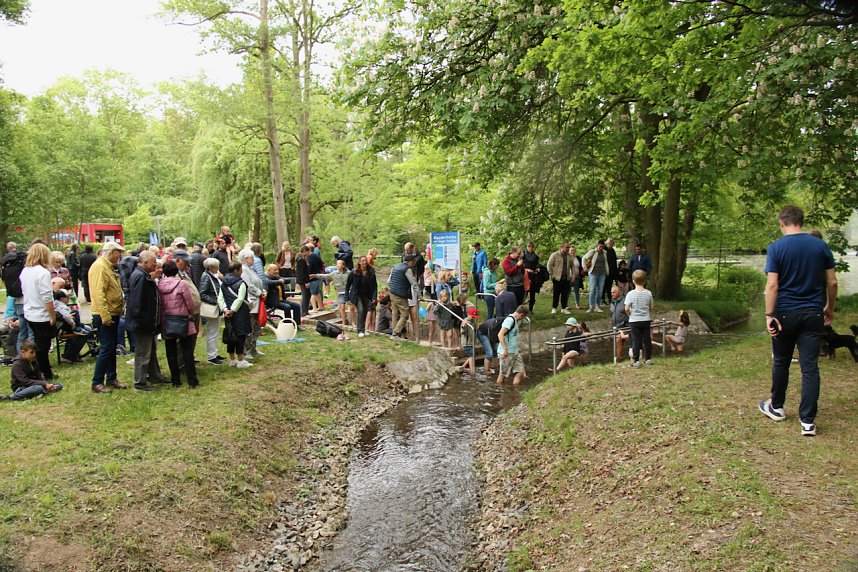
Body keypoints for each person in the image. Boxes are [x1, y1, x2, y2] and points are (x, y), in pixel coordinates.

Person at [759, 205, 836, 437]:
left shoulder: (776, 247)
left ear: (782, 222)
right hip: (813, 313)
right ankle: (808, 422)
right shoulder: (820, 246)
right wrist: (829, 308)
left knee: (781, 360)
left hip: (784, 313)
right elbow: (832, 282)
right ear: (801, 221)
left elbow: (772, 285)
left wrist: (769, 315)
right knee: (810, 367)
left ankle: (777, 406)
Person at [125, 251, 168, 390]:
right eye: (153, 262)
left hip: (148, 322)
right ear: (144, 263)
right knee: (143, 352)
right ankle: (140, 382)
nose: (156, 264)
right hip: (142, 323)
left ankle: (155, 376)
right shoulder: (140, 277)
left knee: (151, 350)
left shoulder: (143, 275)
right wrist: (141, 321)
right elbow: (136, 302)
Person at [89, 241, 128, 394]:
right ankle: (97, 381)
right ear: (111, 252)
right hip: (104, 314)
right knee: (106, 348)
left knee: (111, 347)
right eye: (119, 252)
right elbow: (99, 293)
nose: (121, 256)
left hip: (113, 312)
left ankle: (111, 378)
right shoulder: (100, 267)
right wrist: (105, 315)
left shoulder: (107, 266)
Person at [157, 260, 199, 388]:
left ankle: (175, 380)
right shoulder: (182, 284)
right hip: (182, 319)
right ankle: (192, 380)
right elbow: (189, 303)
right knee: (187, 350)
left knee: (171, 351)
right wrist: (190, 314)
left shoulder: (159, 285)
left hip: (167, 320)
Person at [19, 243, 57, 381]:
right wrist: (52, 316)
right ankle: (45, 374)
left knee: (38, 344)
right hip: (41, 314)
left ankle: (40, 372)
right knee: (43, 348)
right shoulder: (42, 272)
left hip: (29, 312)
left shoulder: (25, 271)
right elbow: (47, 297)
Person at [220, 262, 253, 368]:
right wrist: (233, 310)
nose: (241, 271)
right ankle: (241, 360)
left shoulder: (223, 282)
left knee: (230, 335)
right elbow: (240, 298)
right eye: (240, 269)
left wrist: (225, 309)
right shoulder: (241, 282)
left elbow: (220, 297)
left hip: (227, 312)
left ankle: (232, 359)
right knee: (240, 335)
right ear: (236, 270)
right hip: (240, 312)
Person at [237, 249, 265, 358]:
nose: (253, 260)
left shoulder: (250, 269)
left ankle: (253, 347)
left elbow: (258, 282)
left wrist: (262, 291)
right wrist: (259, 292)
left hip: (258, 299)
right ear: (245, 259)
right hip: (251, 300)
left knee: (256, 327)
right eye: (251, 258)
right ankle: (246, 350)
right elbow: (248, 285)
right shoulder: (243, 270)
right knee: (251, 326)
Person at [200, 258, 227, 365]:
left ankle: (214, 353)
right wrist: (214, 301)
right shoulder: (206, 277)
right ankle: (211, 356)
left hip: (216, 307)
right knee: (212, 332)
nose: (218, 268)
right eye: (217, 266)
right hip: (213, 307)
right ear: (210, 267)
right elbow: (202, 293)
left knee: (214, 332)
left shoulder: (211, 276)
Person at [625, 269, 654, 368]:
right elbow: (651, 307)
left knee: (636, 340)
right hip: (646, 319)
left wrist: (630, 314)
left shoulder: (630, 294)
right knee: (647, 339)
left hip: (634, 320)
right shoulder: (648, 293)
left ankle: (636, 360)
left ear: (633, 280)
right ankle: (648, 359)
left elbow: (627, 308)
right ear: (645, 281)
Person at [388, 253, 420, 340]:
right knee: (405, 315)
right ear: (409, 262)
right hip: (400, 295)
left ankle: (394, 334)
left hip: (392, 293)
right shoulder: (407, 269)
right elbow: (413, 283)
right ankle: (395, 334)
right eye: (413, 261)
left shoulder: (395, 267)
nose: (414, 263)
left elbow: (388, 282)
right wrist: (419, 295)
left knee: (395, 314)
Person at [496, 304, 529, 385]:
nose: (523, 319)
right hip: (506, 352)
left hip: (514, 351)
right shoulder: (509, 320)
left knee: (520, 372)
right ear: (521, 314)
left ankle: (514, 392)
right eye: (523, 317)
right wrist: (505, 350)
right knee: (503, 375)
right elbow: (500, 334)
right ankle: (501, 393)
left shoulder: (516, 320)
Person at [53, 290, 89, 363]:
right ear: (62, 299)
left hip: (61, 327)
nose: (69, 299)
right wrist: (73, 324)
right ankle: (70, 356)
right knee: (86, 331)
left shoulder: (55, 304)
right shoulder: (61, 306)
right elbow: (66, 317)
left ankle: (70, 354)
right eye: (67, 297)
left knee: (87, 328)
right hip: (62, 328)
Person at [346, 256, 377, 338]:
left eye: (365, 261)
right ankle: (360, 330)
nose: (364, 262)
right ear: (359, 262)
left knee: (365, 311)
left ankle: (362, 329)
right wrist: (347, 297)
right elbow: (348, 285)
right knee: (361, 310)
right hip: (356, 295)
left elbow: (374, 286)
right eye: (362, 261)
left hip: (367, 295)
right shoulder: (354, 272)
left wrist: (374, 297)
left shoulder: (371, 272)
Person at [316, 259, 352, 326]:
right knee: (342, 307)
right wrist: (315, 275)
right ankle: (343, 322)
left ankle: (353, 322)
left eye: (339, 264)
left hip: (349, 292)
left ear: (343, 265)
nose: (337, 265)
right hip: (341, 293)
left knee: (352, 308)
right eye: (337, 264)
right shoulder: (334, 273)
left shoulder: (348, 273)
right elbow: (325, 276)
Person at [547, 242, 575, 315]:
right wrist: (551, 274)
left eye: (568, 247)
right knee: (556, 293)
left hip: (566, 278)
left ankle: (563, 308)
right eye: (566, 247)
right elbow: (549, 264)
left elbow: (572, 266)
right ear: (562, 247)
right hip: (557, 278)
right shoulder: (555, 255)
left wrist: (573, 275)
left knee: (565, 294)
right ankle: (554, 308)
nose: (568, 249)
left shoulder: (569, 256)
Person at [582, 240, 609, 313]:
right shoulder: (592, 252)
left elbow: (606, 262)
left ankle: (597, 306)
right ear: (597, 246)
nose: (601, 248)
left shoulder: (605, 253)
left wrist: (607, 271)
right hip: (593, 273)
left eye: (602, 247)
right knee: (592, 290)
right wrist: (584, 267)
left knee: (600, 290)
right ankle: (591, 306)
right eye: (600, 246)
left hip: (602, 273)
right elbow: (584, 258)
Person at [609, 285, 630, 360]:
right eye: (611, 292)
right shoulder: (612, 303)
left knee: (618, 340)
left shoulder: (625, 301)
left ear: (619, 293)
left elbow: (629, 313)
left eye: (614, 292)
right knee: (616, 342)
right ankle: (617, 357)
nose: (612, 294)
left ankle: (618, 358)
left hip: (625, 326)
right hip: (615, 327)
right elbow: (611, 315)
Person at [459, 306, 479, 376]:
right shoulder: (465, 322)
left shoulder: (473, 322)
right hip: (466, 343)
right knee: (471, 356)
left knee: (472, 355)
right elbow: (462, 332)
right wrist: (463, 326)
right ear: (468, 314)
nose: (473, 318)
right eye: (472, 316)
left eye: (474, 317)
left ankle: (463, 367)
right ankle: (472, 371)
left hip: (471, 342)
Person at [522, 242, 540, 312]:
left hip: (533, 276)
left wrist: (538, 268)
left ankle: (530, 310)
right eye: (529, 247)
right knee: (525, 293)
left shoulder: (535, 256)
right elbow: (521, 265)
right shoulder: (523, 255)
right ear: (527, 247)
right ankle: (522, 310)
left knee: (532, 294)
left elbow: (537, 264)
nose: (530, 248)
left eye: (532, 247)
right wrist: (526, 270)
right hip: (526, 276)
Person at [602, 238, 619, 305]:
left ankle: (610, 299)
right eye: (610, 244)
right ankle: (602, 299)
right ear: (607, 244)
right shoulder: (604, 250)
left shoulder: (612, 251)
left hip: (612, 271)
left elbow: (614, 261)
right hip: (605, 271)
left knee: (609, 286)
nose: (611, 245)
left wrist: (615, 272)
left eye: (612, 244)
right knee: (603, 286)